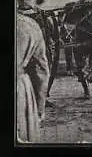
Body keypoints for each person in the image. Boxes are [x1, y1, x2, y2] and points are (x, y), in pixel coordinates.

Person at [16, 13, 50, 142]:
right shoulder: (28, 24)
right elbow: (40, 69)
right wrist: (40, 105)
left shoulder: (34, 18)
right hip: (19, 88)